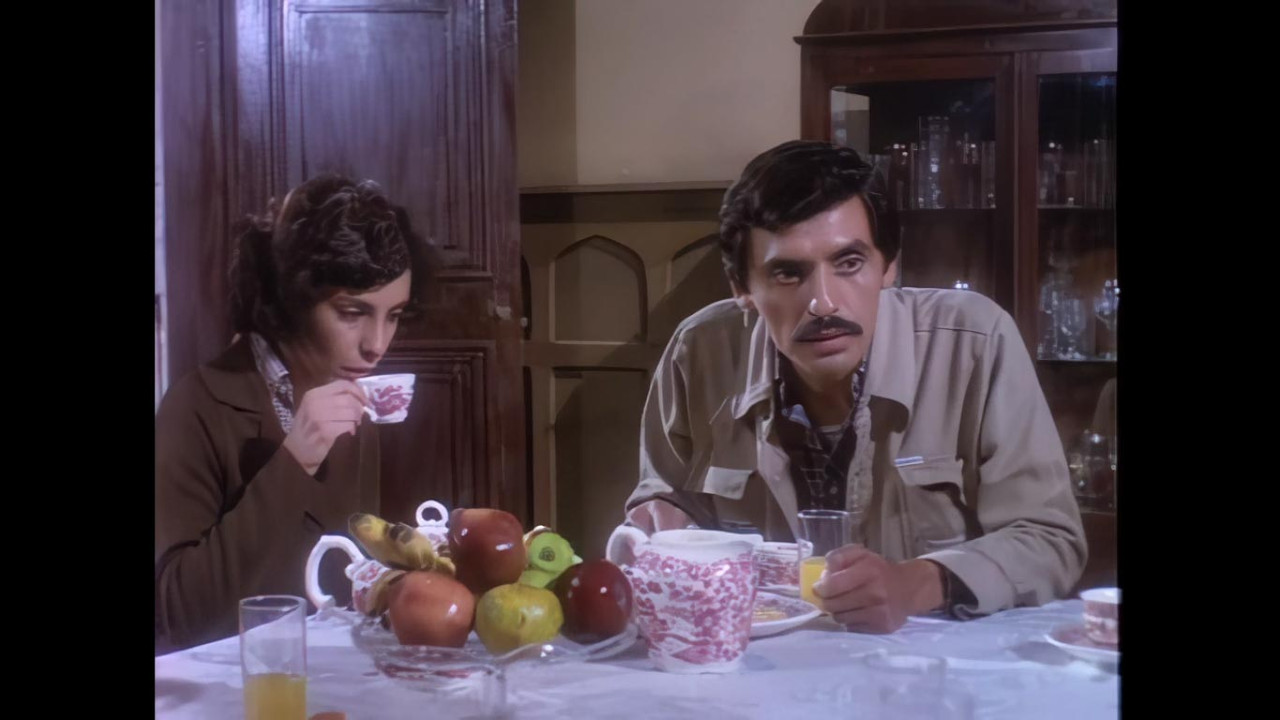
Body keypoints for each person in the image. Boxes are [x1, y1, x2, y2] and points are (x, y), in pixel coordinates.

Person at [623, 141, 1086, 633]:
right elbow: (664, 501)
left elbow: (1050, 539)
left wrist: (915, 584)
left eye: (848, 263)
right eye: (788, 273)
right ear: (742, 288)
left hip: (933, 664)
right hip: (762, 661)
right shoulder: (700, 352)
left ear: (889, 266)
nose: (823, 303)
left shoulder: (974, 342)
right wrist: (659, 519)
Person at [155, 174, 435, 652]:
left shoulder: (353, 404)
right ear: (292, 300)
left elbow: (346, 583)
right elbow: (178, 616)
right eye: (352, 313)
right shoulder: (196, 405)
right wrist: (296, 459)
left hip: (329, 672)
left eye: (393, 315)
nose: (376, 345)